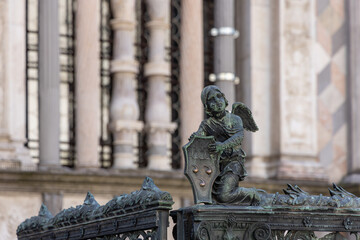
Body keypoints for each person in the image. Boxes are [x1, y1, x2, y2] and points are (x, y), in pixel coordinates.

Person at [190, 85, 260, 205]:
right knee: (215, 199)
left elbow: (239, 137)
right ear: (207, 107)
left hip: (233, 162)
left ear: (224, 99)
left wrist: (221, 146)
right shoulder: (207, 124)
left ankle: (253, 194)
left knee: (224, 195)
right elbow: (199, 138)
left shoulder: (235, 118)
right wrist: (194, 139)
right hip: (215, 167)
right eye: (212, 99)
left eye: (219, 96)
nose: (217, 101)